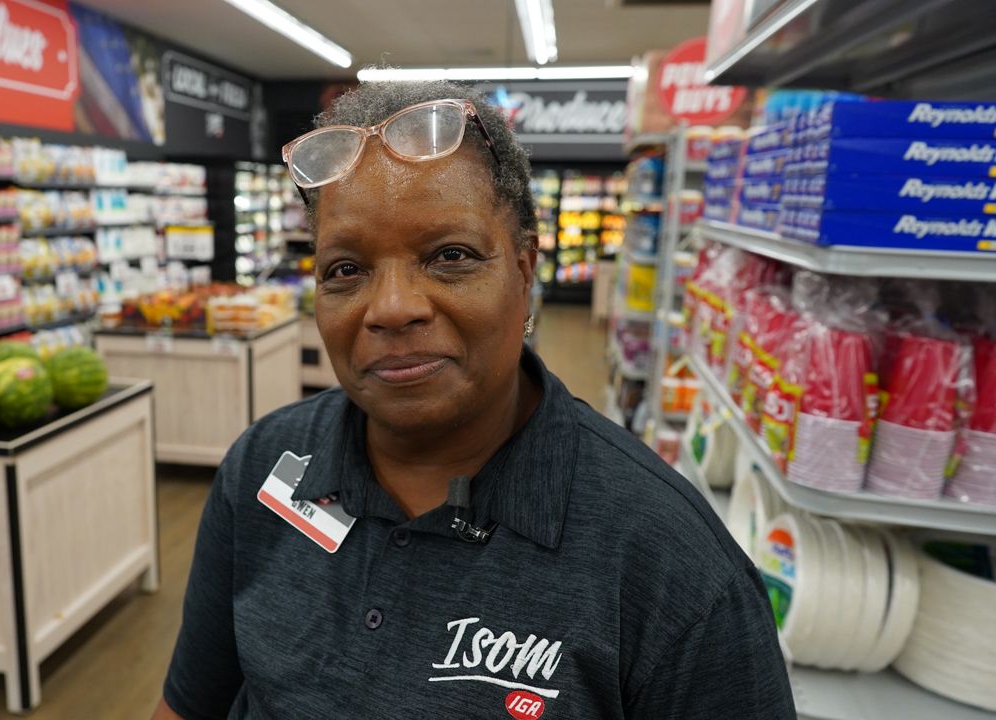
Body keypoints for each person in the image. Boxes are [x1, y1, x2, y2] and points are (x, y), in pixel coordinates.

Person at [154, 80, 794, 719]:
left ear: (523, 271)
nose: (393, 308)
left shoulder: (675, 569)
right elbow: (190, 703)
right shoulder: (262, 467)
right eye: (345, 269)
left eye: (450, 256)